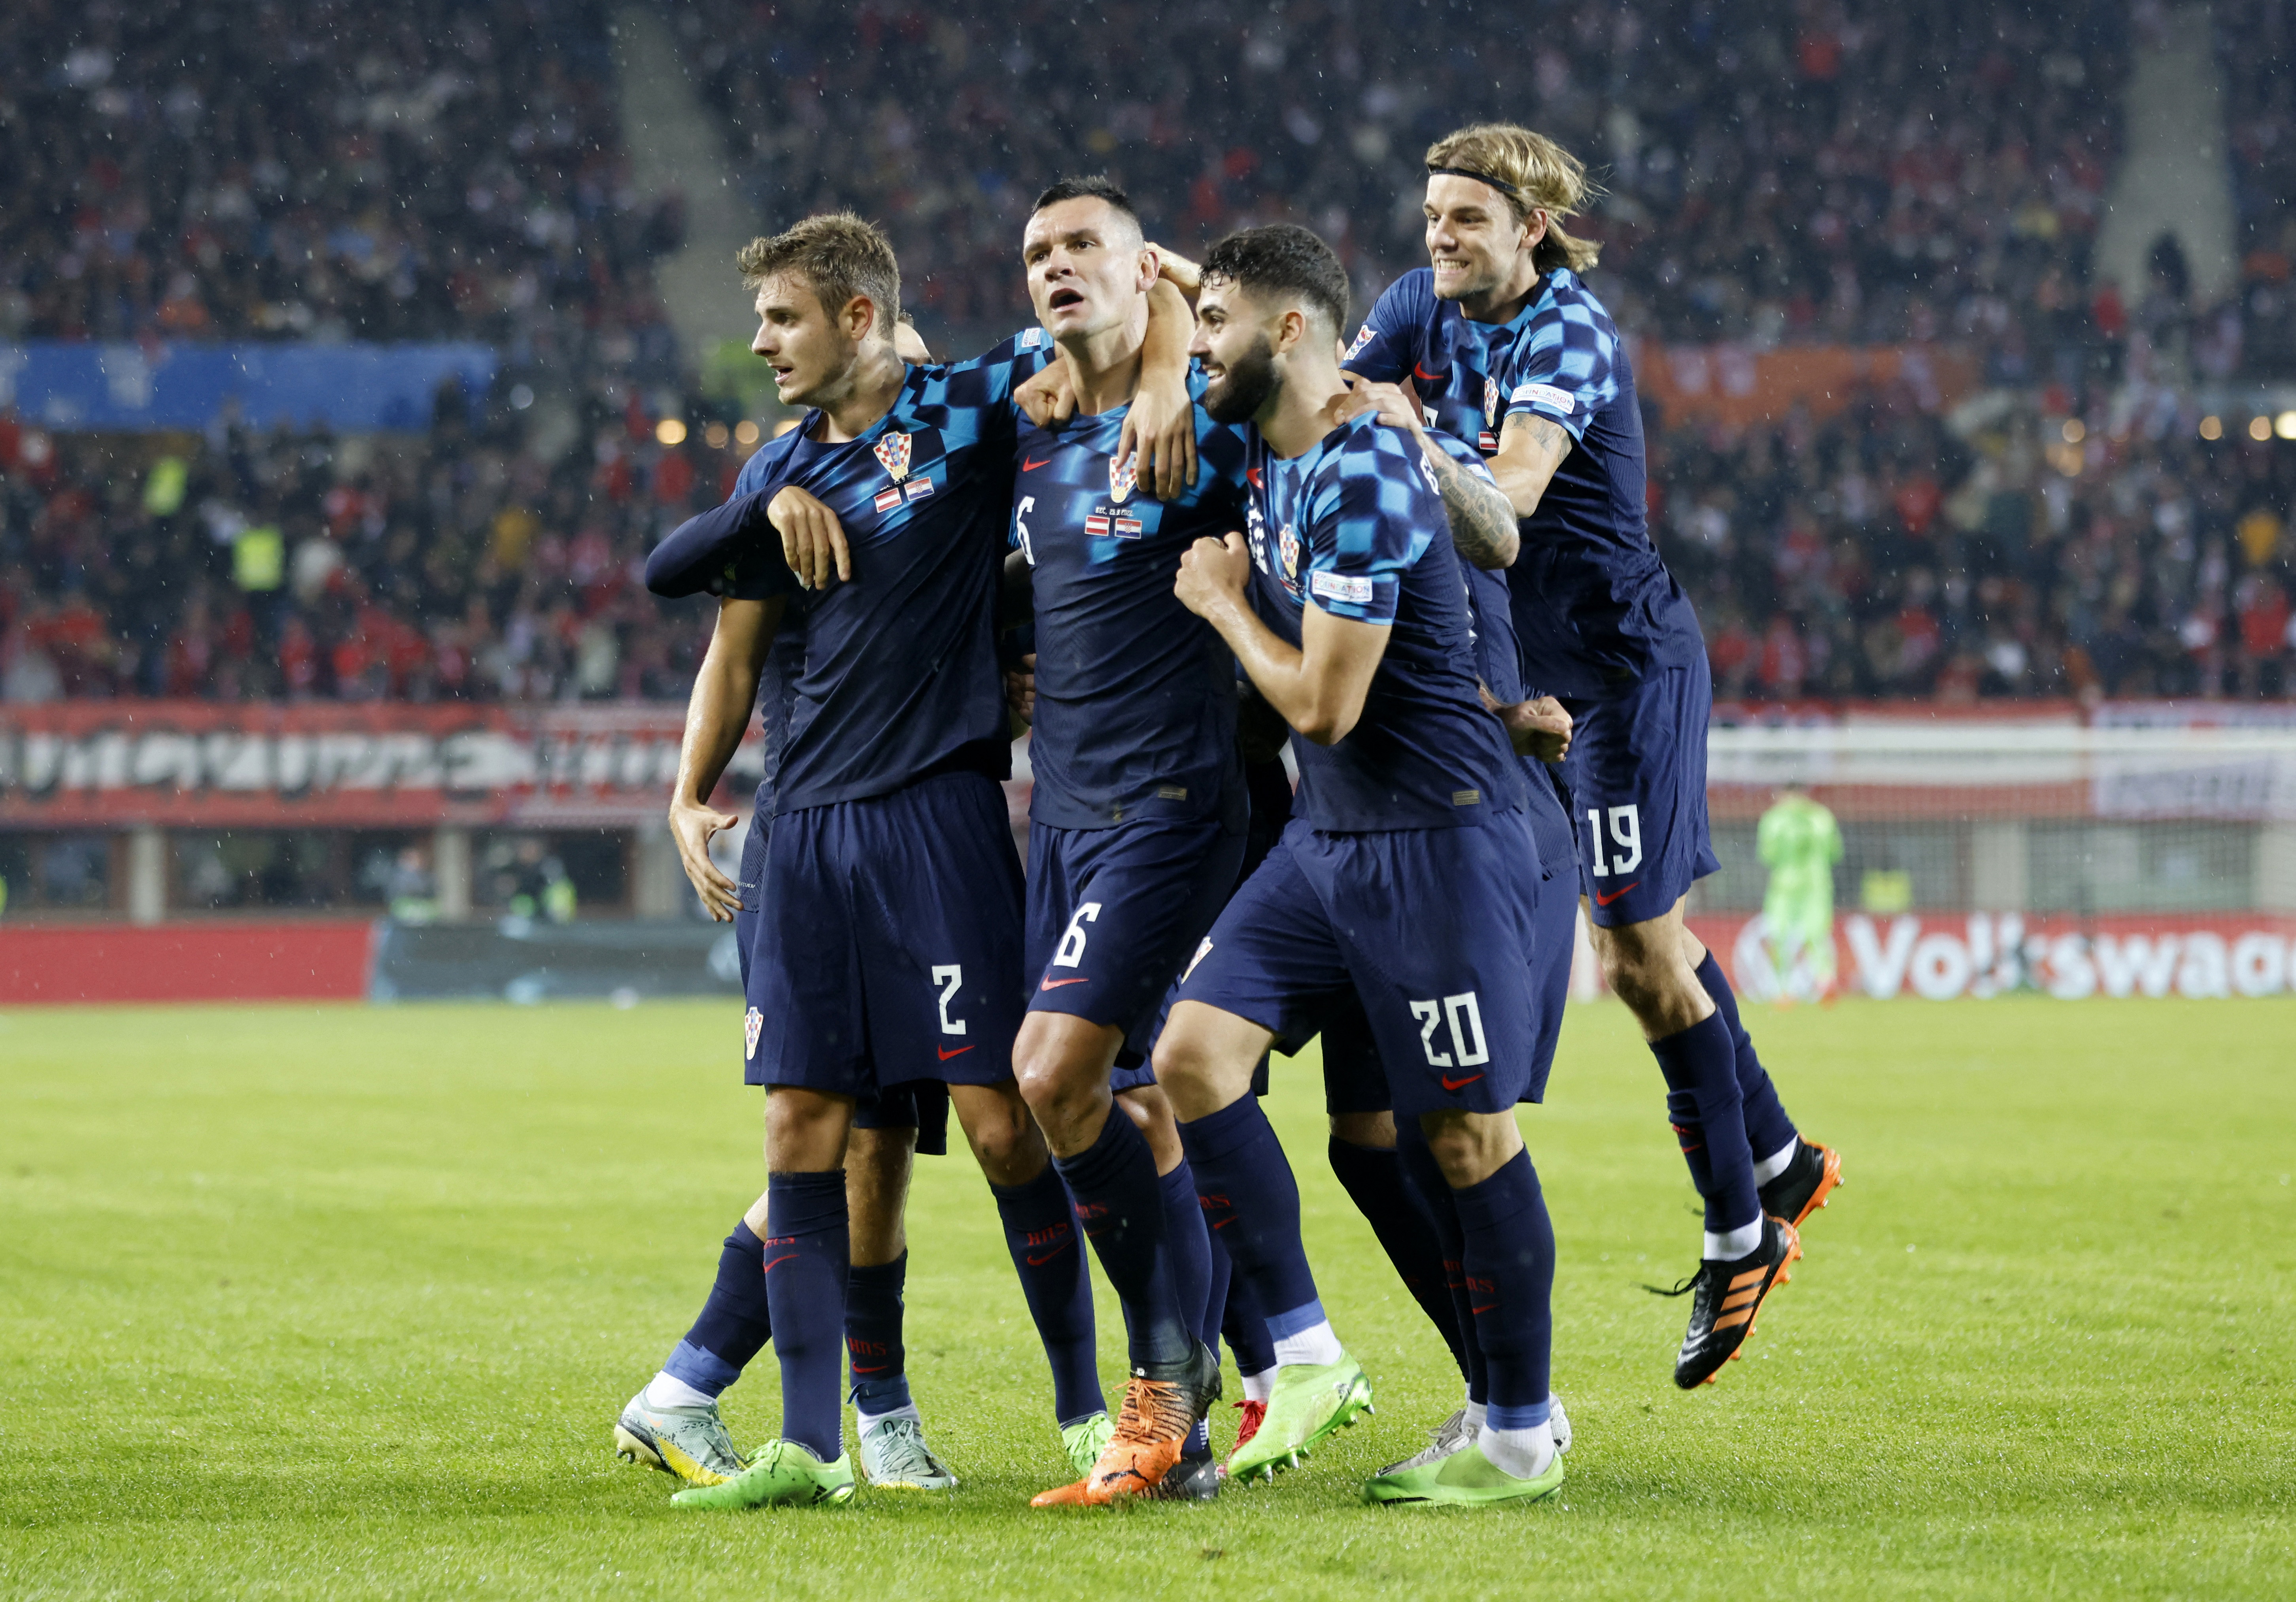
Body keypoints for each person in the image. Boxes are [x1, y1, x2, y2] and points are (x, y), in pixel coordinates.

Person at [639, 212, 1180, 1509]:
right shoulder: (778, 466)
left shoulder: (963, 408)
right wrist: (686, 791)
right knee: (810, 1130)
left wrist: (1163, 377)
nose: (759, 342)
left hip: (937, 816)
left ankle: (1084, 1407)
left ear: (858, 318)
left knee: (1001, 1123)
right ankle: (817, 1441)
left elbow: (1121, 318)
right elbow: (718, 633)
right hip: (802, 831)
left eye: (781, 317)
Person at [1337, 123, 1842, 1389]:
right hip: (1541, 684)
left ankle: (1740, 1234)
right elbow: (1326, 398)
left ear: (1531, 227)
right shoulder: (1416, 306)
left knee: (1632, 955)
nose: (1439, 236)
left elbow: (1505, 499)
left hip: (1623, 674)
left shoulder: (1568, 333)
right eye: (1431, 214)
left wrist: (1407, 434)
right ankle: (1779, 1157)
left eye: (1465, 217)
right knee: (1649, 944)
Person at [1153, 223, 1568, 1507]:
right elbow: (1178, 349)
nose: (1197, 345)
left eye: (1216, 321)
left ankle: (1518, 1431)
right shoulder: (1268, 442)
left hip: (1435, 843)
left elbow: (1323, 707)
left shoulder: (1367, 469)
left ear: (1287, 332)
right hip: (1326, 844)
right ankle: (1304, 1353)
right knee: (1189, 1055)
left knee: (1461, 1135)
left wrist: (1220, 602)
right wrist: (1165, 290)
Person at [1757, 781, 1844, 999]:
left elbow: (1768, 855)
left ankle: (1783, 990)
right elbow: (1835, 853)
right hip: (1817, 884)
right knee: (1817, 934)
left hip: (1783, 886)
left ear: (1782, 794)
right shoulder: (1822, 816)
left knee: (1778, 935)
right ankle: (1825, 981)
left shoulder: (1773, 819)